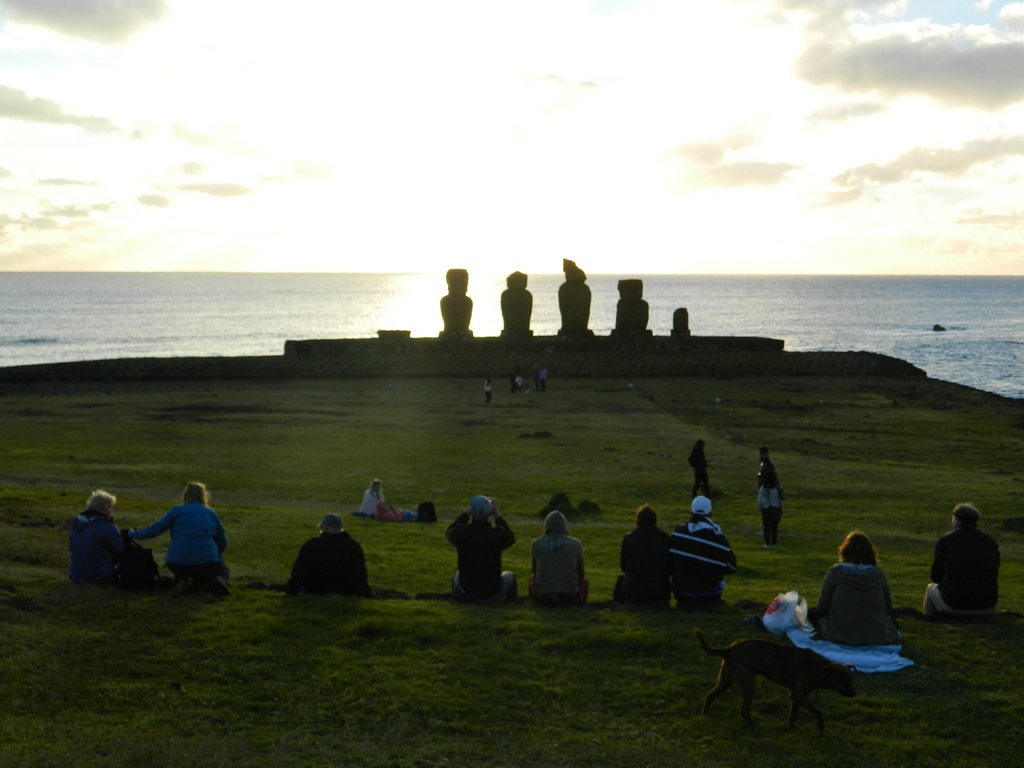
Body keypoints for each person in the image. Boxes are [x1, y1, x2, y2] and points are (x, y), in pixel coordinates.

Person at [129, 482, 230, 595]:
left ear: (185, 495)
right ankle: (219, 580)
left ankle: (182, 581)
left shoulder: (176, 511)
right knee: (222, 570)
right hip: (208, 561)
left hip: (176, 563)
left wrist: (132, 534)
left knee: (183, 566)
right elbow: (223, 541)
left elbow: (155, 529)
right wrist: (214, 554)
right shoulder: (210, 513)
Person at [808, 531, 901, 646]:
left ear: (844, 550)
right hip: (876, 635)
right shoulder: (878, 575)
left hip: (840, 634)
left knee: (812, 612)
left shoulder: (836, 573)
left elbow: (822, 608)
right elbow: (888, 608)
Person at [923, 503, 1000, 618]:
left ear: (957, 520)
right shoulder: (989, 540)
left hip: (954, 604)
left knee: (930, 588)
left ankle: (932, 620)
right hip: (987, 605)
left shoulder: (947, 540)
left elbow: (936, 576)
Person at [446, 495, 517, 603]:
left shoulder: (461, 533)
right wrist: (497, 515)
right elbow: (510, 537)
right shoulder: (497, 535)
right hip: (493, 591)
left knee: (457, 574)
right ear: (489, 513)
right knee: (510, 576)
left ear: (472, 512)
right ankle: (508, 601)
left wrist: (466, 514)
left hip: (466, 590)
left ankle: (460, 597)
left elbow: (450, 530)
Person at [668, 496, 737, 605]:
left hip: (681, 593)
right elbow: (732, 568)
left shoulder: (678, 533)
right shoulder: (719, 538)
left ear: (691, 513)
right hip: (709, 594)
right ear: (710, 514)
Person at [286, 514, 372, 596]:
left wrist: (293, 587)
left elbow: (299, 569)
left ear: (326, 527)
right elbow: (360, 572)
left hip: (314, 588)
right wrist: (363, 591)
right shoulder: (352, 545)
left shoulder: (312, 544)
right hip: (345, 589)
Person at [617, 505, 671, 605]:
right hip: (660, 593)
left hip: (634, 593)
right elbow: (669, 567)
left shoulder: (629, 538)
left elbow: (624, 567)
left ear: (637, 520)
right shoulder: (665, 538)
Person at [530, 510, 586, 605]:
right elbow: (581, 574)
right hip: (569, 597)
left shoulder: (536, 543)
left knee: (532, 578)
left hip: (543, 597)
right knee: (584, 582)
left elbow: (534, 571)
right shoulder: (576, 544)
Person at [68, 490, 124, 585]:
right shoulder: (105, 526)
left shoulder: (78, 525)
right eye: (109, 507)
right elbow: (121, 549)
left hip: (76, 574)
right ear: (101, 509)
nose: (112, 511)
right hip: (99, 575)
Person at [757, 469, 784, 548]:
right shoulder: (778, 487)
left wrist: (760, 507)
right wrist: (781, 508)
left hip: (766, 508)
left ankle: (767, 543)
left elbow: (759, 499)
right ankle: (774, 544)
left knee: (766, 527)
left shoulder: (764, 487)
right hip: (776, 508)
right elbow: (781, 499)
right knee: (774, 528)